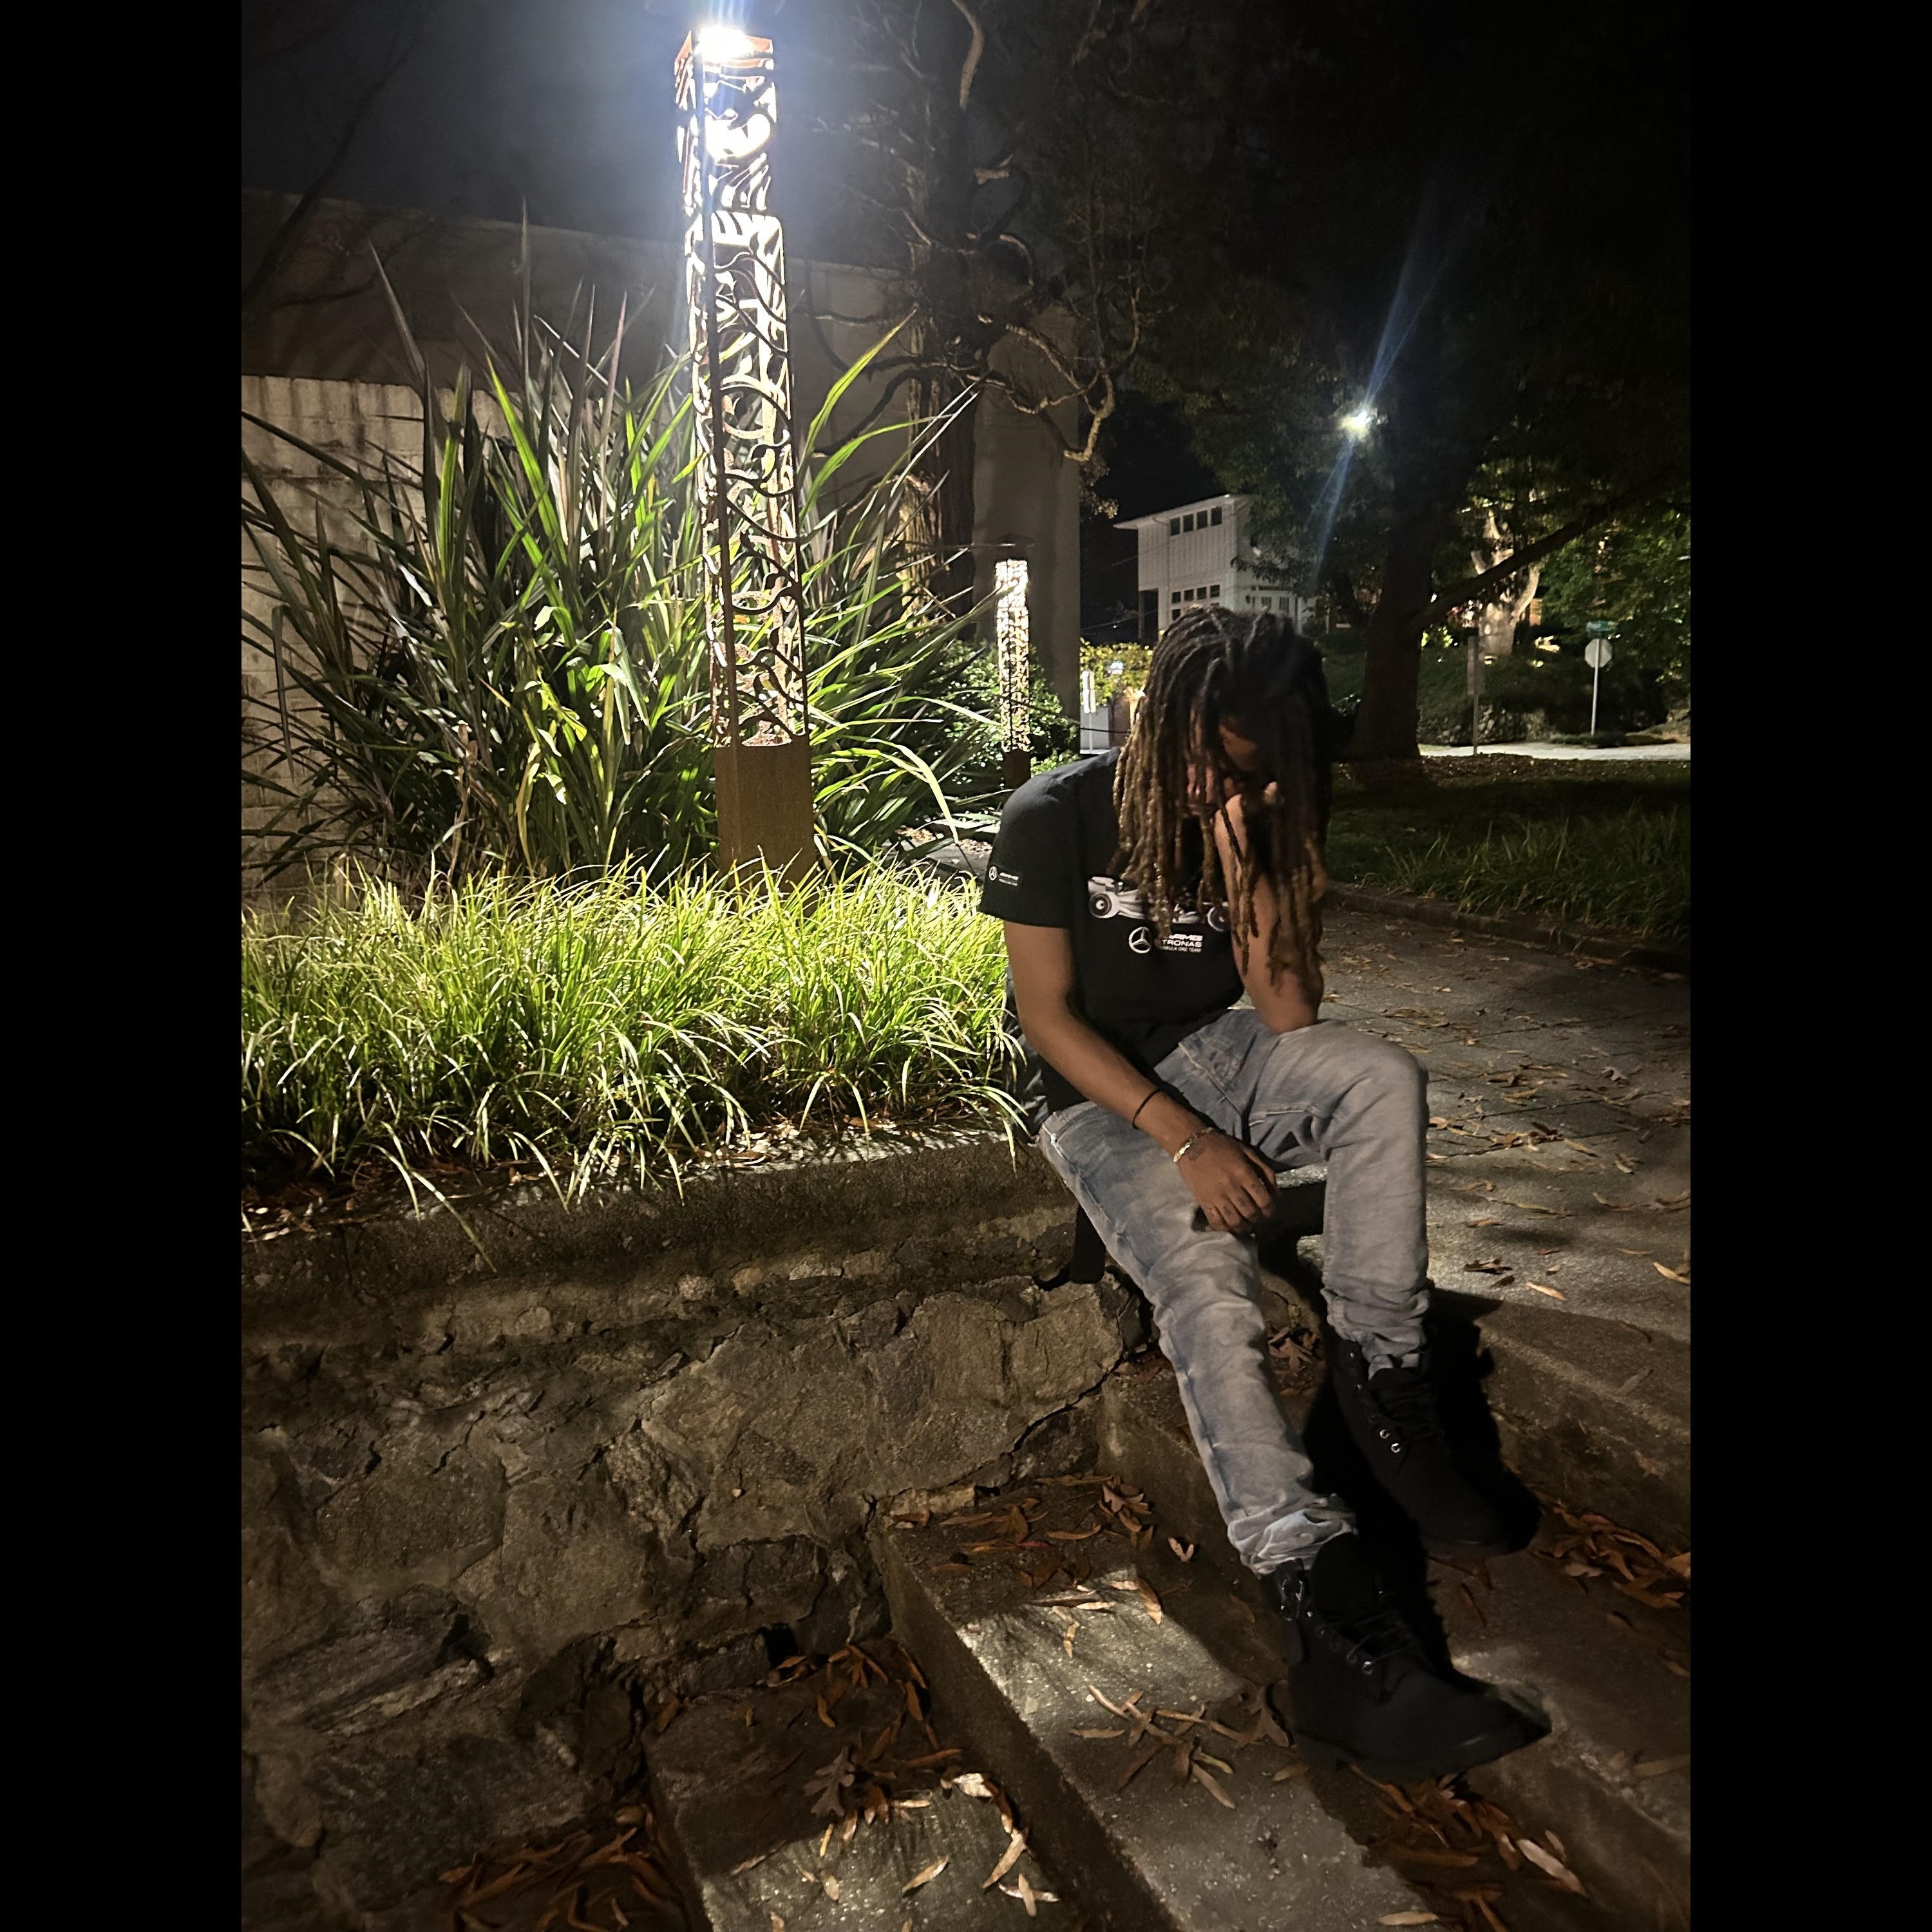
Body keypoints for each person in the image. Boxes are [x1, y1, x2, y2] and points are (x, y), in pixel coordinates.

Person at [978, 607, 1536, 1781]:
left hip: (1223, 1054)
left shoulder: (1248, 816)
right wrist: (1185, 1139)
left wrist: (1250, 866)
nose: (1209, 787)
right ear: (1162, 720)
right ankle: (1325, 1614)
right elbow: (1047, 1021)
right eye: (1201, 760)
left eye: (1240, 771)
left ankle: (1384, 1379)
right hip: (1101, 1096)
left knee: (1380, 1077)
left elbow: (1287, 1016)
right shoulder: (1052, 815)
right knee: (1206, 1276)